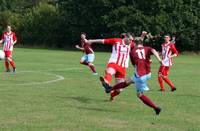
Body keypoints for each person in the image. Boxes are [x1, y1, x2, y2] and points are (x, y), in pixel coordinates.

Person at [105, 37, 162, 115]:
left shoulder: (132, 52)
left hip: (140, 76)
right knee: (128, 81)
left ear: (134, 43)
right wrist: (159, 59)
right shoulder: (147, 48)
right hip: (148, 74)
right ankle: (110, 88)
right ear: (142, 43)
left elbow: (134, 65)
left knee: (139, 94)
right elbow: (153, 50)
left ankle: (156, 108)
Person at [88, 33, 135, 100]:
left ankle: (111, 94)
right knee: (110, 72)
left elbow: (139, 44)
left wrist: (143, 36)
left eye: (132, 40)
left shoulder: (131, 44)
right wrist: (91, 41)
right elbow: (103, 41)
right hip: (114, 63)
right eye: (130, 40)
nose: (131, 41)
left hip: (122, 67)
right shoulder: (116, 41)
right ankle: (106, 83)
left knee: (119, 90)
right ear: (125, 37)